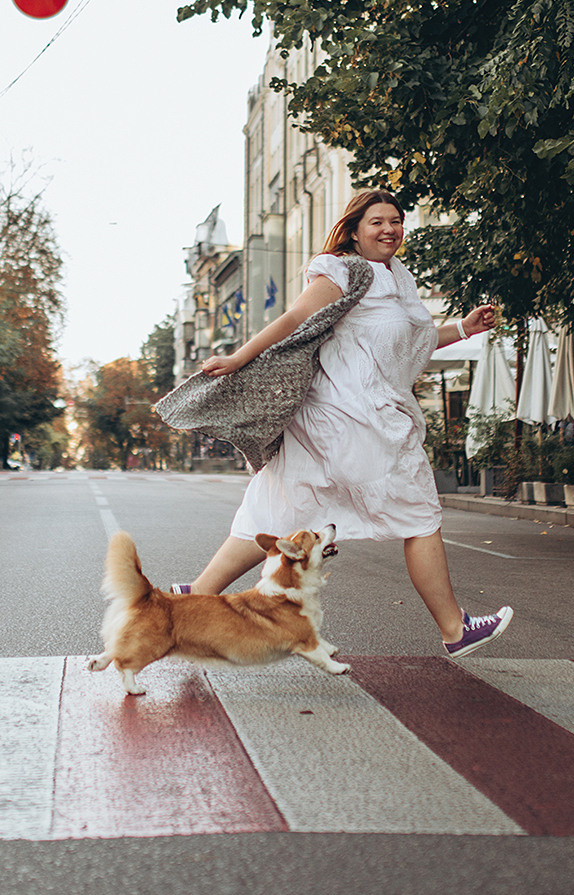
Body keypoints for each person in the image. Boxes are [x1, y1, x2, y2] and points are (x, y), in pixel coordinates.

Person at [179, 189, 513, 657]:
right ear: (354, 229)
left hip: (343, 423)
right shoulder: (344, 269)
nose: (390, 229)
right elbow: (295, 316)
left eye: (397, 221)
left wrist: (463, 328)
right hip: (355, 421)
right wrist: (238, 357)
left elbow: (402, 344)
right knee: (419, 516)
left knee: (274, 512)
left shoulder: (398, 277)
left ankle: (193, 599)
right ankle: (455, 630)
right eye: (377, 221)